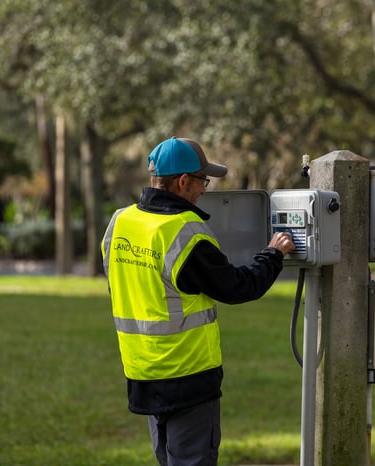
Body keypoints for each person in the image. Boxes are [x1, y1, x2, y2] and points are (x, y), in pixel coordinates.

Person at [100, 137, 294, 466]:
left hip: (143, 373)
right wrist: (274, 253)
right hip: (188, 375)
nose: (204, 189)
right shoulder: (184, 232)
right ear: (183, 181)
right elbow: (238, 287)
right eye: (202, 181)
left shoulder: (120, 222)